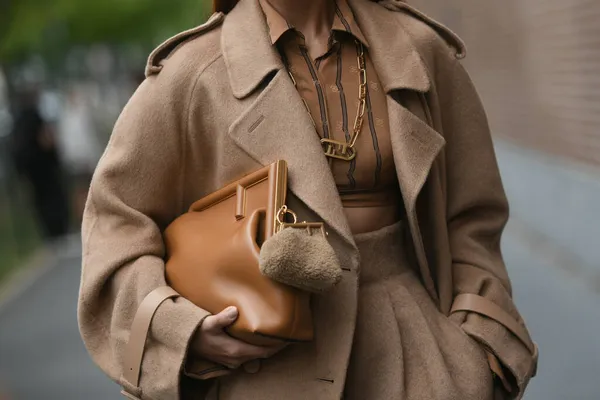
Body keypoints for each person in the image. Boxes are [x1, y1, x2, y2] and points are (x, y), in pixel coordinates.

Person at [78, 0, 538, 399]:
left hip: (422, 358)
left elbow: (473, 216)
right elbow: (113, 223)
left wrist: (479, 351)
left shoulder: (418, 50)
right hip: (265, 365)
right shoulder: (192, 73)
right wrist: (183, 331)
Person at [10, 89, 69, 240]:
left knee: (40, 201)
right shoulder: (36, 116)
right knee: (54, 197)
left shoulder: (18, 121)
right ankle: (59, 229)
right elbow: (46, 139)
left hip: (31, 170)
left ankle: (50, 233)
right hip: (45, 167)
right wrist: (56, 157)